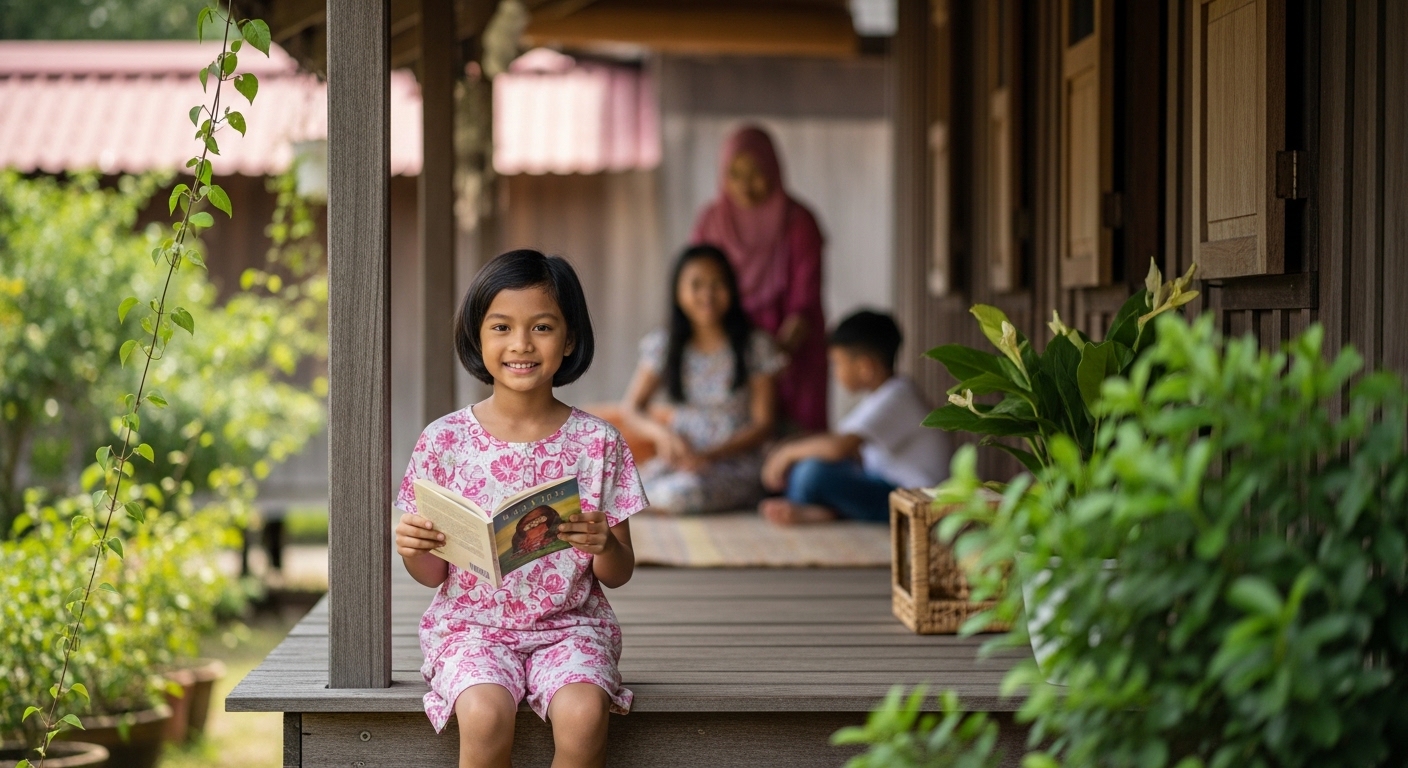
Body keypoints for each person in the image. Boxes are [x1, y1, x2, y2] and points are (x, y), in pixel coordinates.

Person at [393, 249, 648, 768]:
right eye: (502, 327)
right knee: (484, 716)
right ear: (477, 337)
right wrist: (413, 547)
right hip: (471, 629)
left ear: (570, 338)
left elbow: (619, 572)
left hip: (571, 627)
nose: (521, 345)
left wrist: (603, 546)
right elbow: (429, 574)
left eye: (543, 327)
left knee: (583, 716)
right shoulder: (443, 442)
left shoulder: (598, 443)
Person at [619, 244, 785, 515]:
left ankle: (640, 509)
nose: (707, 294)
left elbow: (764, 423)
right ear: (678, 292)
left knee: (682, 494)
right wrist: (664, 436)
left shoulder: (755, 346)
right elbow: (631, 409)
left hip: (735, 461)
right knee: (614, 488)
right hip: (679, 458)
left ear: (731, 288)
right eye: (696, 285)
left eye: (717, 284)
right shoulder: (665, 344)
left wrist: (710, 455)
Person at [691, 125, 829, 433]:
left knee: (792, 448)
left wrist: (770, 360)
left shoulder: (798, 223)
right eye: (734, 174)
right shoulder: (711, 222)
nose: (744, 186)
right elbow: (694, 284)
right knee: (732, 440)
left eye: (755, 173)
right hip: (728, 353)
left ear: (773, 168)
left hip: (792, 355)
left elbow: (803, 305)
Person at [759, 310, 950, 525]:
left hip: (915, 501)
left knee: (812, 472)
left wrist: (787, 453)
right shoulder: (881, 396)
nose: (836, 372)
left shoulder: (897, 396)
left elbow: (837, 447)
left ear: (865, 367)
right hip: (887, 488)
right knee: (809, 465)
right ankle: (822, 512)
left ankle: (815, 510)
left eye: (838, 363)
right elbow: (840, 444)